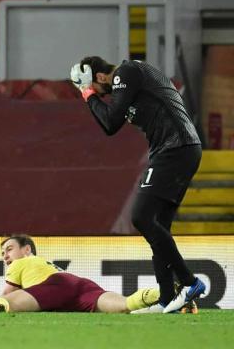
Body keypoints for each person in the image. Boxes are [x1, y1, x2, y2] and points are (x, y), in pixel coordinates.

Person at [69, 57, 205, 313]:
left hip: (175, 148)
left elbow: (110, 123)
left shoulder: (126, 72)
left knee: (141, 216)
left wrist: (87, 93)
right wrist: (90, 93)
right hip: (180, 148)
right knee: (158, 225)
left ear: (100, 77)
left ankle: (189, 283)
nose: (103, 95)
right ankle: (167, 298)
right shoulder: (132, 76)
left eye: (97, 88)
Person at [0, 235, 160, 314]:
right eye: (2, 253)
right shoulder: (43, 263)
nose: (5, 256)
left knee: (5, 304)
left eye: (9, 249)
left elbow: (9, 294)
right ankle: (162, 295)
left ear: (27, 249)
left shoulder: (21, 262)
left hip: (54, 287)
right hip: (80, 285)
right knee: (125, 305)